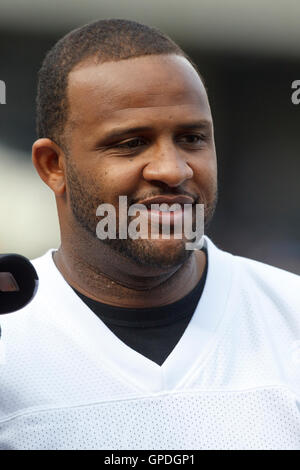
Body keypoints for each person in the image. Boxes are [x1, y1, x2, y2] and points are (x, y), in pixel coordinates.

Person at [0, 19, 299, 451]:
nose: (172, 170)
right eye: (131, 143)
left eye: (192, 138)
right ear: (53, 166)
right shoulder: (12, 337)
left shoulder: (290, 317)